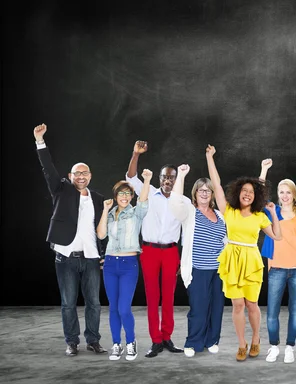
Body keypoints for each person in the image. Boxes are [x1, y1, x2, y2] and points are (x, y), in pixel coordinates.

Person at [34, 123, 107, 357]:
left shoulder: (98, 198)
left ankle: (93, 340)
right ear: (70, 176)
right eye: (77, 173)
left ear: (90, 176)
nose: (81, 176)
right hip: (65, 257)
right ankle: (72, 342)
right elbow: (48, 168)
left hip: (92, 258)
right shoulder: (61, 190)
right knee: (68, 304)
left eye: (84, 173)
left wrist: (103, 253)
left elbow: (102, 228)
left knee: (94, 303)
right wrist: (40, 141)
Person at [206, 145, 282, 362]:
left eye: (251, 192)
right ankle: (242, 344)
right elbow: (216, 184)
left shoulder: (259, 216)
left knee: (251, 305)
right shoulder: (228, 210)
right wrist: (209, 157)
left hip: (251, 260)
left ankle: (256, 337)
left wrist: (273, 213)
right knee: (237, 305)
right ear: (237, 193)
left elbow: (277, 236)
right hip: (232, 259)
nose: (247, 194)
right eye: (244, 191)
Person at [125, 141, 184, 357]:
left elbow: (187, 232)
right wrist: (135, 154)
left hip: (171, 252)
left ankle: (167, 337)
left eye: (171, 177)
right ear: (160, 179)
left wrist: (183, 260)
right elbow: (131, 176)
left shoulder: (183, 201)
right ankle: (155, 340)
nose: (168, 180)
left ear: (176, 180)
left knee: (168, 296)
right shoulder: (147, 192)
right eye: (164, 176)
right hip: (149, 251)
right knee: (152, 296)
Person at [168, 164, 227, 358]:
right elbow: (175, 201)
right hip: (198, 269)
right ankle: (193, 342)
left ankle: (212, 340)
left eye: (208, 190)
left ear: (212, 194)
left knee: (216, 308)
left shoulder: (219, 215)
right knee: (199, 308)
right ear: (195, 193)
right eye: (201, 190)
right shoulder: (190, 213)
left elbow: (225, 240)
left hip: (219, 271)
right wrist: (182, 175)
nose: (204, 193)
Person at [96, 170, 152, 361]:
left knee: (124, 308)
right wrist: (104, 210)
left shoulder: (136, 213)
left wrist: (146, 180)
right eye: (121, 193)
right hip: (111, 264)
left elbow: (144, 200)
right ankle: (116, 344)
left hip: (129, 265)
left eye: (128, 194)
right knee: (113, 308)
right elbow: (101, 235)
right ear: (115, 195)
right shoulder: (110, 214)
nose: (125, 197)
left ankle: (130, 342)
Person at [261, 177, 296, 364]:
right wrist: (264, 171)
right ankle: (274, 346)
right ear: (278, 195)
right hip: (277, 269)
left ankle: (290, 347)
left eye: (288, 192)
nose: (285, 195)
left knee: (295, 311)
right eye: (281, 192)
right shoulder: (271, 213)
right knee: (272, 311)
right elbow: (259, 195)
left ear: (294, 194)